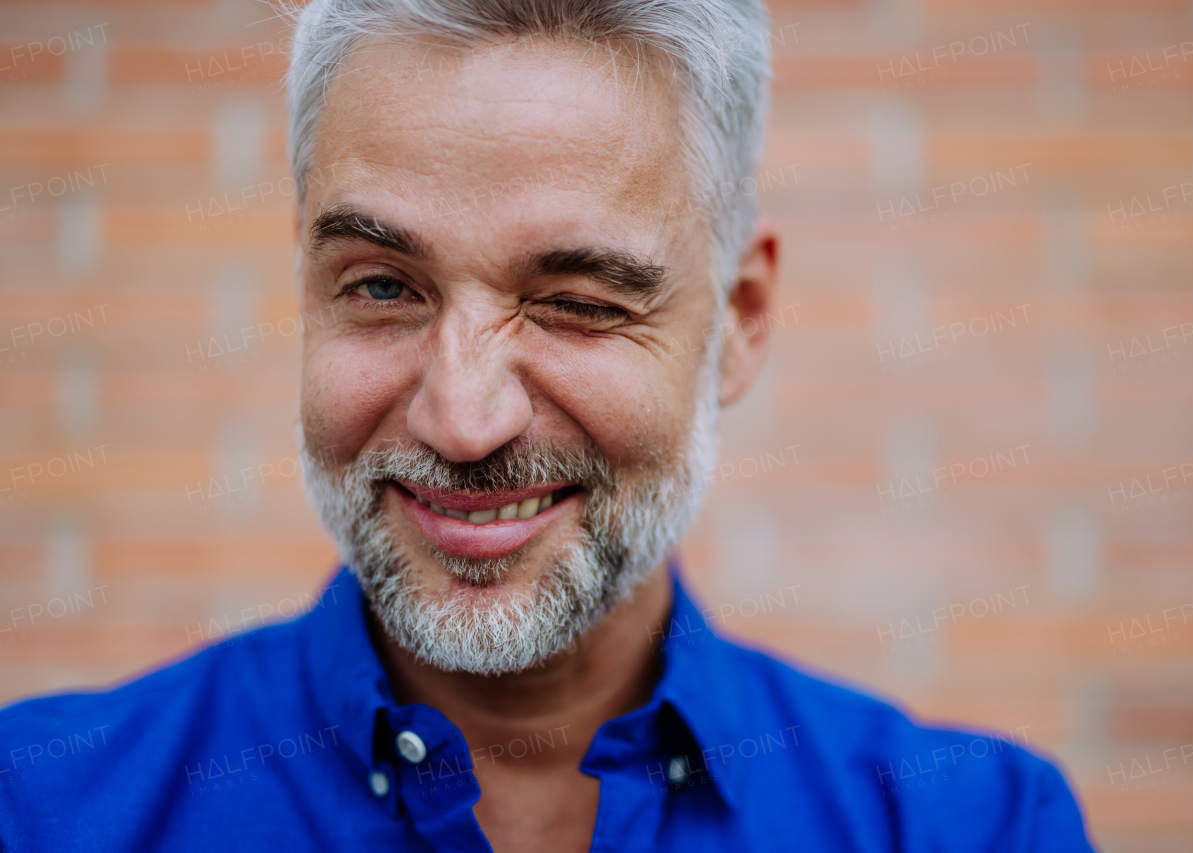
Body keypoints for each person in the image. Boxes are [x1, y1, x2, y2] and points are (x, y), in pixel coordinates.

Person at [0, 1, 1094, 850]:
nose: (463, 419)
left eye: (576, 301)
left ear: (738, 322)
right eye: (382, 287)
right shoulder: (38, 811)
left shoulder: (974, 828)